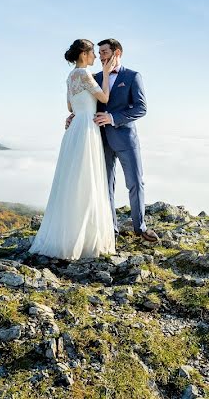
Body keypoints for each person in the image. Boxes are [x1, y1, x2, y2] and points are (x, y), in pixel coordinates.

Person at [28, 39, 118, 259]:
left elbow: (70, 106)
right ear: (84, 54)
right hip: (87, 126)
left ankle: (67, 234)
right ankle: (84, 238)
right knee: (86, 178)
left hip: (75, 126)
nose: (96, 57)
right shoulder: (85, 75)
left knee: (72, 178)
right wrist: (105, 74)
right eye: (92, 54)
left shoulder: (70, 77)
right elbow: (104, 97)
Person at [65, 39, 159, 243]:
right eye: (98, 53)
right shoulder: (95, 77)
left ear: (117, 53)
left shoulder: (132, 76)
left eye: (105, 52)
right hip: (100, 139)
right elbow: (87, 103)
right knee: (105, 186)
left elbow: (141, 108)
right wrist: (75, 115)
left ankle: (139, 227)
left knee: (135, 182)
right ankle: (111, 229)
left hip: (125, 138)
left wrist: (113, 118)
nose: (101, 57)